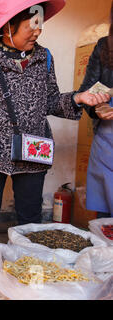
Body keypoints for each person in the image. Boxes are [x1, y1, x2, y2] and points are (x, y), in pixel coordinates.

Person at [0, 0, 110, 258]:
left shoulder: (44, 58)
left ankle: (29, 272)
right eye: (31, 26)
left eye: (40, 25)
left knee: (31, 220)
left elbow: (50, 102)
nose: (37, 32)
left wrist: (78, 98)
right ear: (8, 27)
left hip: (33, 152)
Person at [78, 3, 113, 218]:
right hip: (107, 147)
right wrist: (97, 107)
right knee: (105, 224)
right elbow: (86, 92)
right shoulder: (104, 47)